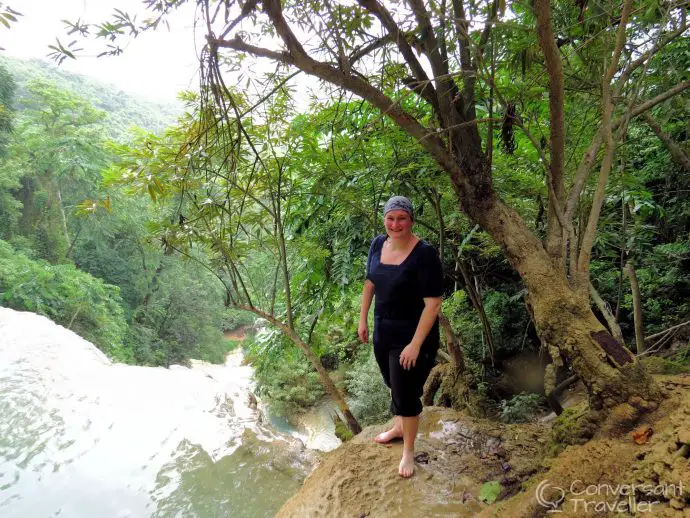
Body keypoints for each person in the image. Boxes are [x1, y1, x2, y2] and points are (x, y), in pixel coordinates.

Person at [358, 195, 443, 477]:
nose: (396, 224)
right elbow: (370, 283)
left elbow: (433, 304)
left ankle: (408, 451)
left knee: (406, 392)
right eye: (390, 218)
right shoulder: (377, 244)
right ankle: (397, 427)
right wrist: (363, 320)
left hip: (412, 332)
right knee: (391, 381)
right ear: (384, 220)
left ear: (411, 220)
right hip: (383, 327)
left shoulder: (424, 254)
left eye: (402, 218)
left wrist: (416, 345)